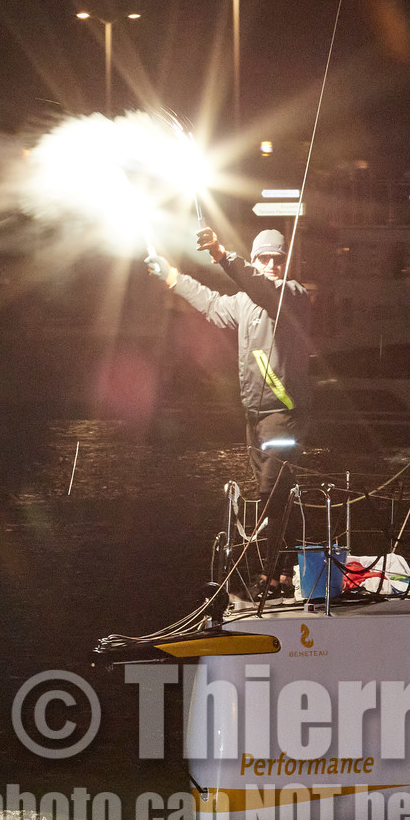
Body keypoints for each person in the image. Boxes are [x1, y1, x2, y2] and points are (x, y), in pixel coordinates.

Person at [146, 227, 312, 600]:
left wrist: (222, 255)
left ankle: (273, 577)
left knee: (271, 492)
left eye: (278, 259)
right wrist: (170, 275)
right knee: (273, 494)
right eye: (264, 258)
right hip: (254, 419)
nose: (271, 265)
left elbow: (263, 289)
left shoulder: (293, 296)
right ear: (255, 260)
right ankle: (286, 572)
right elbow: (209, 302)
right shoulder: (243, 303)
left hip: (283, 417)